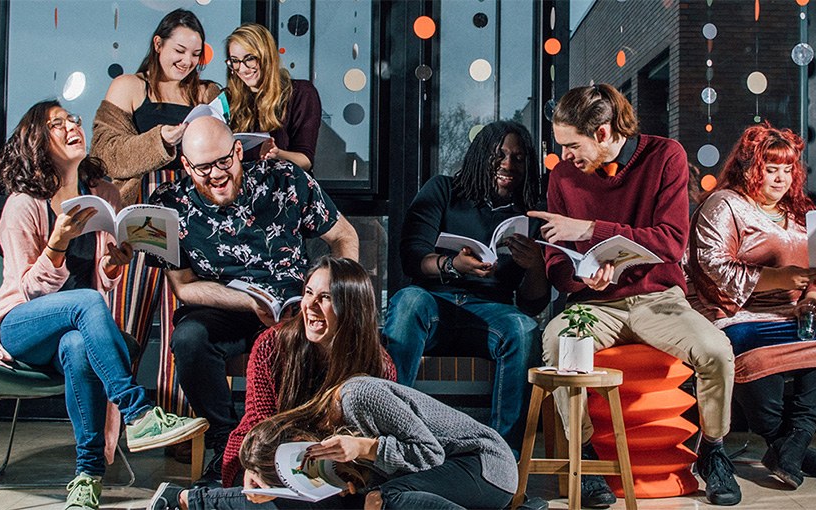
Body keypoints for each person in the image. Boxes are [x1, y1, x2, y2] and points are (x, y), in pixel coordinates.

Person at [0, 101, 209, 510]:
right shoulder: (23, 205)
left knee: (80, 347)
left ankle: (86, 476)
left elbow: (101, 282)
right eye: (56, 125)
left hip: (72, 332)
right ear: (37, 143)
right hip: (20, 327)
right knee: (85, 303)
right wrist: (57, 243)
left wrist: (114, 265)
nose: (71, 127)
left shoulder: (103, 193)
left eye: (72, 120)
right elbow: (29, 293)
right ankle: (139, 412)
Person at [533, 84, 740, 507]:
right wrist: (580, 279)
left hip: (658, 300)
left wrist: (590, 229)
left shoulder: (666, 157)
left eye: (573, 145)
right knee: (556, 341)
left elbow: (670, 242)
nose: (566, 157)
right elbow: (557, 264)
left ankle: (714, 453)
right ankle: (586, 457)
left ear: (604, 133)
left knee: (716, 350)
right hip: (594, 306)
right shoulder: (562, 177)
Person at [152, 115, 361, 486]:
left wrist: (336, 297)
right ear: (185, 165)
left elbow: (345, 236)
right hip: (221, 308)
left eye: (223, 162)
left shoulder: (284, 179)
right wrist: (247, 303)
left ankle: (290, 445)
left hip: (291, 307)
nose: (216, 175)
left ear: (237, 151)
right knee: (187, 339)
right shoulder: (169, 205)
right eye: (202, 168)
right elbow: (183, 286)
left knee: (301, 341)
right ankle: (225, 442)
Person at [685, 124, 816, 488]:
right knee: (755, 350)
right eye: (771, 169)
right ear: (748, 169)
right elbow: (713, 266)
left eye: (788, 169)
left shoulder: (804, 210)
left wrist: (815, 297)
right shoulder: (724, 204)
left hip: (795, 310)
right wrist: (782, 278)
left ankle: (794, 442)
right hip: (733, 310)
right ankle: (782, 443)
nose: (781, 179)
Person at [382, 120, 546, 442]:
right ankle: (389, 433)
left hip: (491, 314)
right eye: (499, 155)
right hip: (434, 305)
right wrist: (453, 265)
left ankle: (502, 458)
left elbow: (532, 303)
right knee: (408, 300)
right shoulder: (443, 189)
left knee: (524, 329)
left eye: (519, 157)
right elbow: (412, 257)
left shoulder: (530, 214)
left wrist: (536, 266)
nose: (508, 165)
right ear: (481, 155)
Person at [146, 377, 532, 510]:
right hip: (446, 478)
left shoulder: (356, 397)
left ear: (299, 439)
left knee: (385, 500)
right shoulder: (326, 437)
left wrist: (365, 448)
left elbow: (429, 453)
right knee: (341, 502)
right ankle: (186, 500)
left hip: (485, 464)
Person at [91, 9, 222, 386]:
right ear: (158, 44)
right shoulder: (129, 87)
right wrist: (160, 140)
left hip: (192, 218)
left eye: (196, 54)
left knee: (182, 324)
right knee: (122, 324)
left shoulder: (207, 93)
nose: (187, 62)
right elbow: (104, 152)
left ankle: (183, 433)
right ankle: (109, 430)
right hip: (140, 212)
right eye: (179, 50)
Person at [222, 24, 323, 170]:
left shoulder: (300, 92)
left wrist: (276, 154)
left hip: (284, 187)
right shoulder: (228, 99)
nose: (242, 69)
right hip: (241, 189)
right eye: (235, 61)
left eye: (249, 59)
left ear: (266, 56)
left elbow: (306, 161)